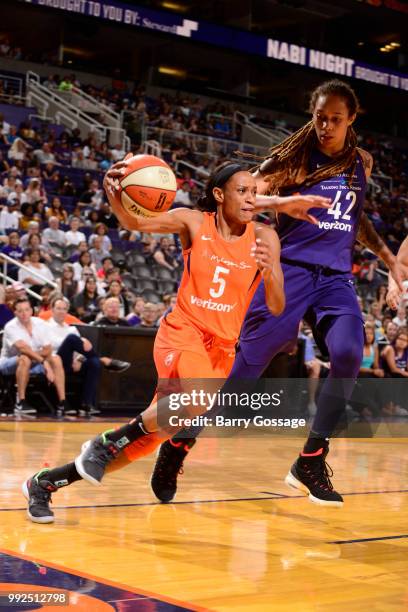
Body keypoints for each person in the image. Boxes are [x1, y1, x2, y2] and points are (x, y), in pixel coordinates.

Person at [109, 79, 405, 508]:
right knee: (236, 384)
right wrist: (285, 204)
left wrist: (388, 260)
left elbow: (354, 218)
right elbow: (242, 201)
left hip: (336, 276)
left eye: (335, 119)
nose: (325, 126)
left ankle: (311, 458)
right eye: (319, 117)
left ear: (351, 119)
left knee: (347, 352)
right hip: (288, 268)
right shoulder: (294, 160)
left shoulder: (363, 162)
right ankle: (178, 446)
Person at [22, 161, 330, 522]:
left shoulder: (265, 238)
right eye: (242, 191)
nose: (251, 198)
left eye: (255, 192)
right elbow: (135, 223)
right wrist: (116, 196)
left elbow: (277, 306)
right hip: (183, 332)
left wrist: (270, 273)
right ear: (219, 195)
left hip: (222, 349)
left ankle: (45, 482)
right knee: (194, 402)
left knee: (143, 443)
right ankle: (104, 443)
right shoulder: (194, 222)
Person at [45, 296, 130, 418]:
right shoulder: (45, 326)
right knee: (71, 339)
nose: (62, 311)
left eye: (64, 309)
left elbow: (81, 349)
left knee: (93, 362)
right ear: (52, 310)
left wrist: (80, 358)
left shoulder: (71, 328)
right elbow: (45, 349)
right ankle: (105, 360)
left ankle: (86, 404)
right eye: (58, 308)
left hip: (73, 363)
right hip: (56, 363)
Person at [0, 297, 65, 417]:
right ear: (15, 312)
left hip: (33, 361)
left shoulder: (40, 323)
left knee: (56, 359)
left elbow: (48, 349)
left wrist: (43, 359)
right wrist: (44, 362)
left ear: (31, 310)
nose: (24, 313)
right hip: (8, 363)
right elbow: (23, 349)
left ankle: (62, 401)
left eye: (26, 309)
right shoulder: (11, 326)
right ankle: (21, 402)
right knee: (24, 358)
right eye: (20, 311)